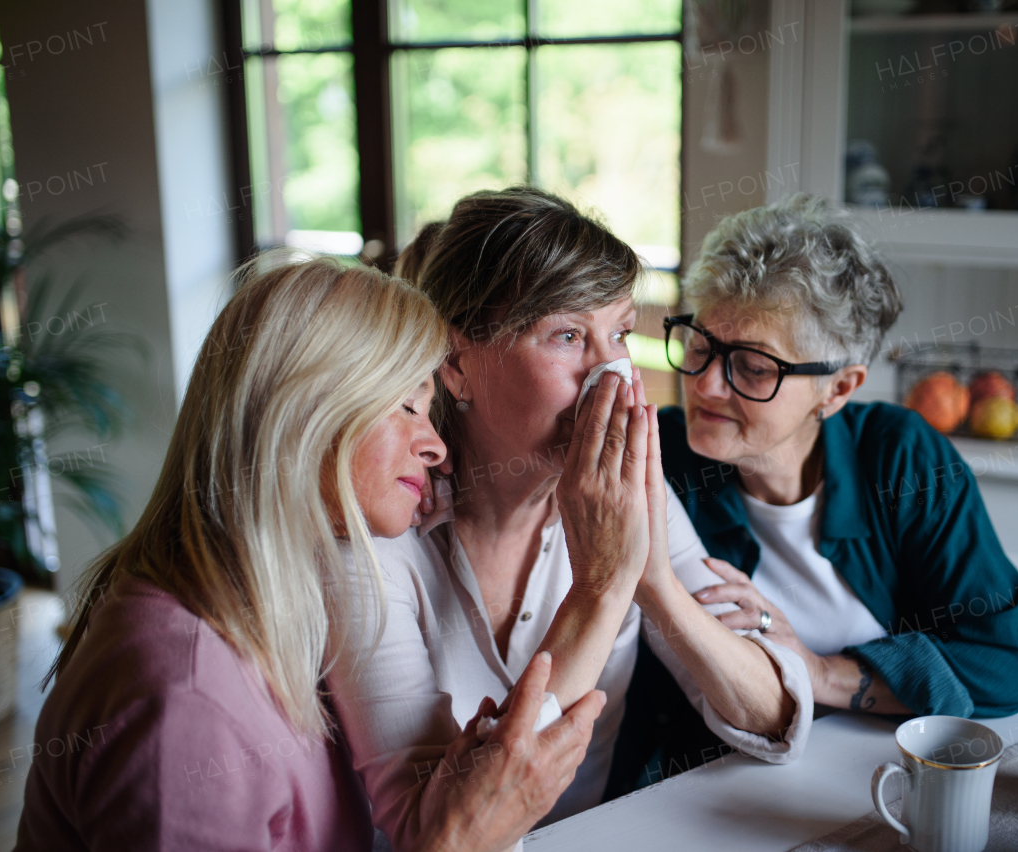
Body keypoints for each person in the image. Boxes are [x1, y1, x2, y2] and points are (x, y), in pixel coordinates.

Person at [16, 257, 604, 852]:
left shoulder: (272, 612)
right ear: (302, 415)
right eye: (405, 407)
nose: (435, 447)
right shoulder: (185, 700)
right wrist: (462, 838)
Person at [326, 188, 813, 849]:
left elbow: (777, 717)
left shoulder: (625, 494)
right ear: (457, 364)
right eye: (566, 335)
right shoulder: (375, 532)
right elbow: (434, 830)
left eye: (618, 333)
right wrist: (601, 588)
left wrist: (659, 588)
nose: (610, 372)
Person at [615, 194, 1018, 783]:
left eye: (754, 367)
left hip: (879, 779)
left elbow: (1006, 664)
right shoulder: (655, 458)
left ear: (838, 389)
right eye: (701, 345)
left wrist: (819, 674)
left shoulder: (902, 457)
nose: (707, 385)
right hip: (711, 791)